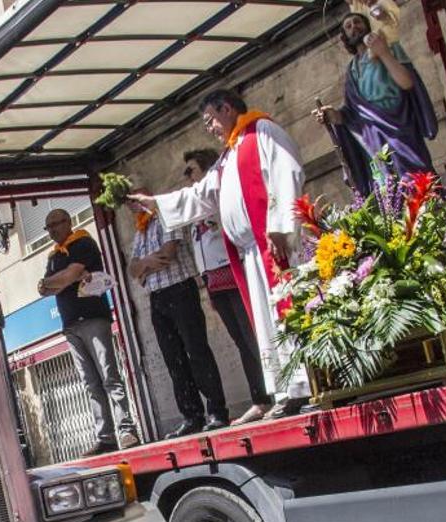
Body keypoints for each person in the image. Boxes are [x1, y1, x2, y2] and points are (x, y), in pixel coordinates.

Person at [128, 89, 311, 419]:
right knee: (266, 326)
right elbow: (201, 196)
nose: (209, 127)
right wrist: (158, 203)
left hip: (274, 244)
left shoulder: (262, 132)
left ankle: (305, 384)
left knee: (286, 316)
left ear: (227, 109)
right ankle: (286, 389)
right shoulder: (229, 154)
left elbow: (288, 173)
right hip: (251, 255)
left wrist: (280, 225)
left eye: (210, 119)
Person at [126, 188, 229, 436]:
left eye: (135, 200)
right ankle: (191, 415)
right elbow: (132, 268)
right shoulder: (140, 230)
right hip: (157, 297)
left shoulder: (167, 217)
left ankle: (217, 410)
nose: (132, 206)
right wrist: (147, 263)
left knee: (197, 351)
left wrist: (145, 265)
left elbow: (168, 255)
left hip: (180, 289)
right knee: (174, 359)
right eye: (129, 203)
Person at [37, 209, 140, 454]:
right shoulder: (53, 256)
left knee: (108, 375)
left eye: (55, 224)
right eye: (47, 227)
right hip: (70, 324)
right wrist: (60, 280)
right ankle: (105, 437)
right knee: (90, 383)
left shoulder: (83, 242)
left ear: (68, 222)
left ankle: (126, 429)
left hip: (93, 317)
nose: (52, 230)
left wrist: (59, 280)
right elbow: (44, 289)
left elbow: (67, 276)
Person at [181, 149, 272, 424]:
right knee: (240, 340)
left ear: (207, 171)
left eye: (191, 171)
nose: (187, 178)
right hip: (215, 279)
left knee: (253, 334)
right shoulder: (198, 204)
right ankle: (259, 399)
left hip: (233, 271)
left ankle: (271, 393)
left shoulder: (221, 194)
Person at [313, 9, 438, 194]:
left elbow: (407, 83)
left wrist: (384, 53)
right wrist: (334, 115)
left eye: (357, 22)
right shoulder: (352, 70)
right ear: (345, 37)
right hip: (372, 139)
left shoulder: (390, 48)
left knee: (415, 178)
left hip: (399, 128)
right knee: (389, 188)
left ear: (368, 26)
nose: (354, 27)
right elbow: (352, 113)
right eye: (348, 26)